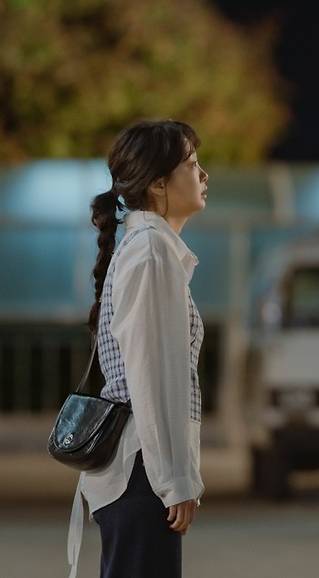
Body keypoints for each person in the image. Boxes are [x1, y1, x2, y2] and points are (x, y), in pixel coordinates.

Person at [66, 119, 209, 578]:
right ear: (158, 184)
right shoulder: (151, 252)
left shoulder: (149, 247)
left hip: (139, 474)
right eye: (192, 164)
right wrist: (175, 479)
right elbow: (153, 375)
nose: (203, 174)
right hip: (141, 474)